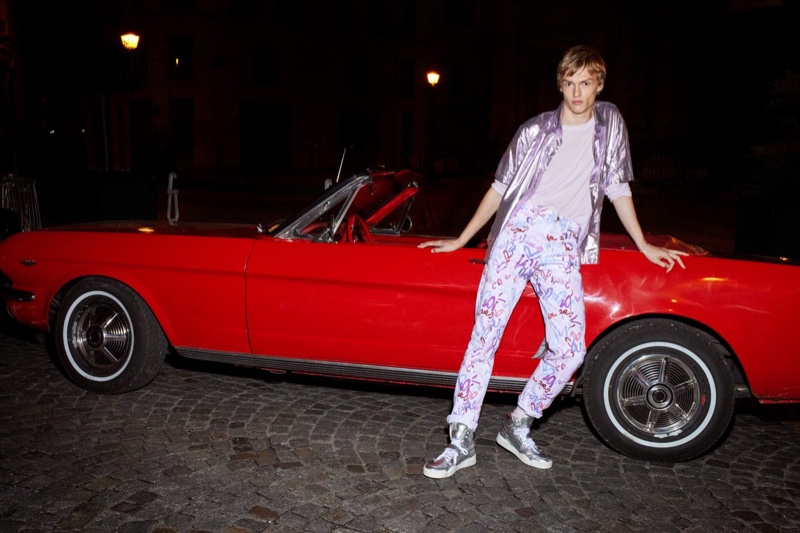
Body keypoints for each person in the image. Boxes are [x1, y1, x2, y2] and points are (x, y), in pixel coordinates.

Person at [419, 45, 688, 479]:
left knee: (569, 348)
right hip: (517, 233)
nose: (577, 92)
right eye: (570, 83)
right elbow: (500, 188)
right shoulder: (534, 131)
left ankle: (518, 423)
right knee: (484, 337)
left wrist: (644, 244)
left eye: (586, 83)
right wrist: (463, 238)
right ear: (559, 83)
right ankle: (460, 438)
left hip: (562, 242)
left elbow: (618, 187)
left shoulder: (610, 124)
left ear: (599, 84)